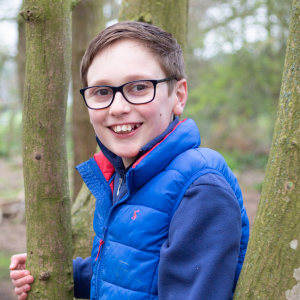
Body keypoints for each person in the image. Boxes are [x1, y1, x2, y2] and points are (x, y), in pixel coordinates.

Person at [10, 21, 249, 300]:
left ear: (178, 96)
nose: (118, 107)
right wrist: (61, 274)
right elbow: (133, 271)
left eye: (138, 87)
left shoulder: (200, 189)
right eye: (101, 92)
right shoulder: (124, 177)